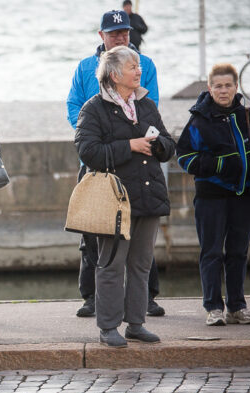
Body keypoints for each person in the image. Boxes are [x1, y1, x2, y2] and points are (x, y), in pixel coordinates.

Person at [74, 45, 175, 348]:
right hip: (114, 202)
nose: (139, 71)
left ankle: (136, 323)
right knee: (111, 264)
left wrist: (157, 146)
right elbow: (87, 151)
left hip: (148, 196)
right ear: (115, 74)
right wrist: (129, 146)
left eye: (138, 66)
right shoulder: (93, 108)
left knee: (141, 263)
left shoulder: (145, 104)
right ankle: (107, 327)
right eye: (133, 66)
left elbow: (169, 145)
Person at [66, 9, 164, 319]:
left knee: (141, 243)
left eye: (125, 32)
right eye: (114, 33)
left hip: (139, 164)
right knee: (93, 233)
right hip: (97, 166)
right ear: (101, 36)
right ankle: (93, 298)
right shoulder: (85, 68)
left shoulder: (146, 65)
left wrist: (133, 140)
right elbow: (74, 107)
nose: (121, 37)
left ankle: (146, 300)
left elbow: (152, 108)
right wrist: (97, 131)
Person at [176, 64, 250, 327]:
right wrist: (219, 164)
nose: (223, 90)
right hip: (210, 197)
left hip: (243, 195)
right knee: (211, 252)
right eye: (218, 86)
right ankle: (214, 307)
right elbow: (184, 157)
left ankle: (237, 307)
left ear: (236, 87)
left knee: (238, 252)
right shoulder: (198, 121)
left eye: (228, 85)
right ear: (209, 88)